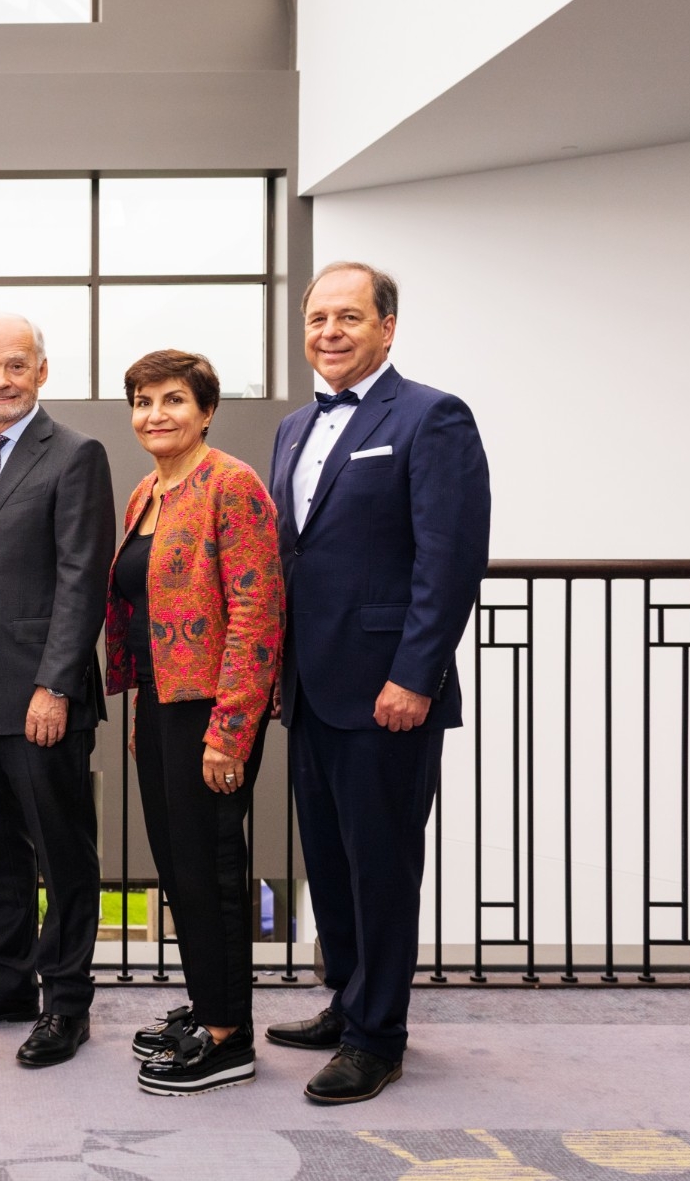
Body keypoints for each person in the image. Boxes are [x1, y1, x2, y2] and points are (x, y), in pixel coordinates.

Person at [265, 261, 490, 1104]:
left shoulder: (433, 416)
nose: (328, 331)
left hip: (389, 689)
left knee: (383, 863)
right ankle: (348, 1000)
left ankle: (378, 1036)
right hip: (311, 683)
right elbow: (301, 554)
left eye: (348, 317)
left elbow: (451, 558)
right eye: (317, 317)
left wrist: (416, 674)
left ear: (386, 327)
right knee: (328, 858)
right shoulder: (293, 426)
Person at [0, 313, 114, 1068]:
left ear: (42, 370)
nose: (0, 380)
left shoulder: (76, 454)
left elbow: (82, 578)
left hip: (43, 698)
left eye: (15, 365)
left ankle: (66, 1002)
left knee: (63, 851)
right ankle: (7, 979)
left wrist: (55, 684)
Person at [103, 350, 284, 1097]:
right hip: (160, 704)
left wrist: (230, 730)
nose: (156, 415)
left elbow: (257, 613)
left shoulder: (231, 485)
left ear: (206, 409)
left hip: (212, 709)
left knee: (210, 869)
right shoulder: (148, 490)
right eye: (143, 401)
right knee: (179, 866)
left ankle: (228, 1034)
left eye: (173, 400)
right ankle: (209, 1001)